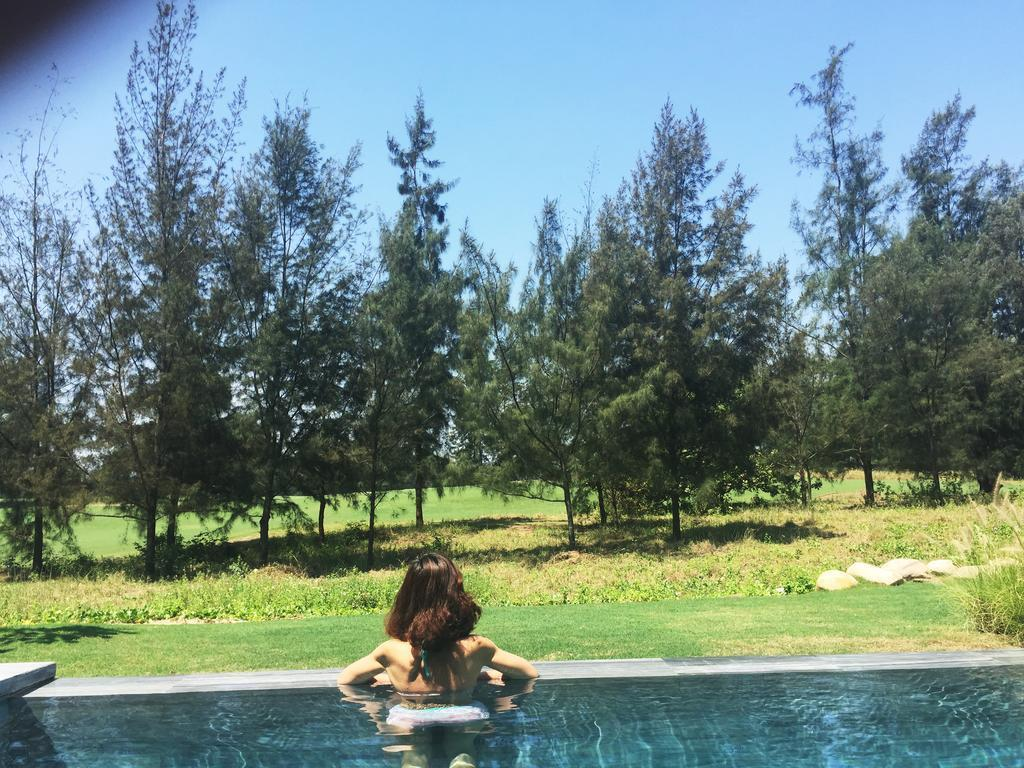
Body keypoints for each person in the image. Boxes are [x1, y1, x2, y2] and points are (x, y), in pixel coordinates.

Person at [337, 552, 538, 768]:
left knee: (414, 752)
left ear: (407, 597)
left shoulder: (390, 651)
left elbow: (347, 680)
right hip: (461, 713)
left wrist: (386, 680)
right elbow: (528, 673)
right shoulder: (476, 647)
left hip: (410, 715)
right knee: (461, 749)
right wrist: (483, 675)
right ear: (456, 595)